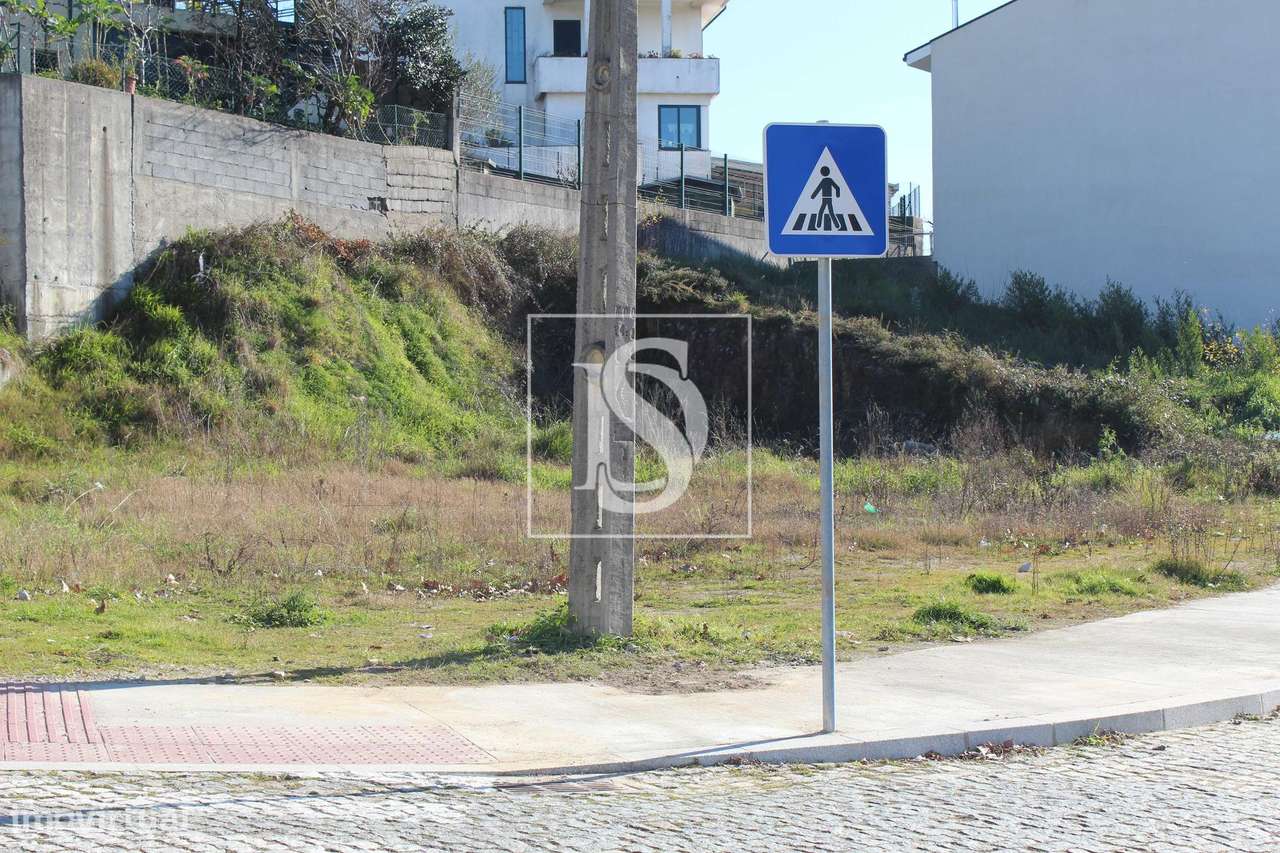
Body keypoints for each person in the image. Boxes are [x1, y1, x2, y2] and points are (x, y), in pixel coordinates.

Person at [810, 166, 846, 231]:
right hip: (829, 199)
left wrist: (813, 196)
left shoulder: (823, 180)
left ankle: (819, 225)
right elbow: (837, 188)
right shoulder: (830, 180)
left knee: (821, 212)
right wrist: (837, 195)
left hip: (825, 199)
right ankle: (837, 225)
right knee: (830, 212)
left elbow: (818, 189)